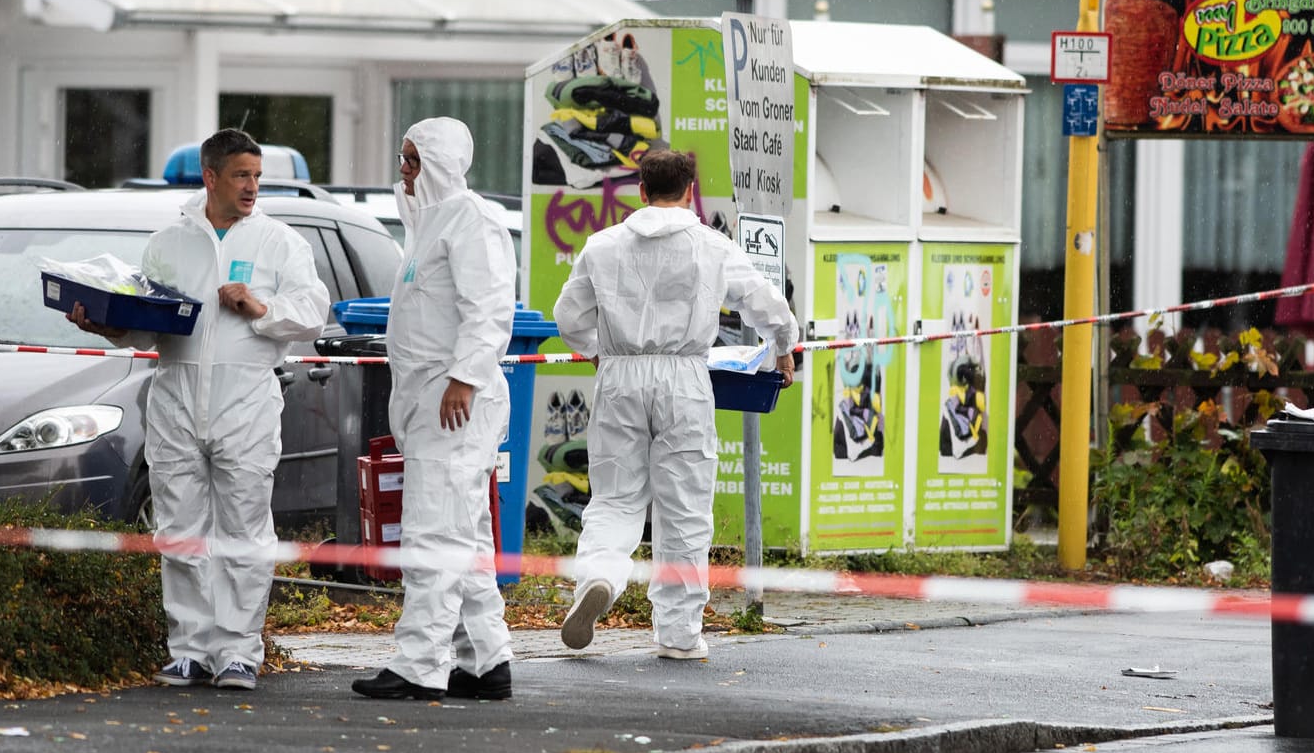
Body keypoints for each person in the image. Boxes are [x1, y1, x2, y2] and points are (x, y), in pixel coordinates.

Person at [69, 128, 329, 692]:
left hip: (246, 402)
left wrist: (258, 307)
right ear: (210, 177)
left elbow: (312, 312)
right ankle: (187, 649)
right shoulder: (169, 242)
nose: (252, 187)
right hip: (177, 399)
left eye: (257, 176)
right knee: (179, 529)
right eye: (241, 175)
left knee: (243, 530)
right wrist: (105, 323)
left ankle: (237, 652)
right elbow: (145, 323)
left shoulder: (280, 242)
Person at [552, 149, 797, 660]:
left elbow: (568, 315)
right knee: (683, 507)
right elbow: (763, 300)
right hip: (684, 377)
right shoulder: (710, 246)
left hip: (620, 376)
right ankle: (679, 633)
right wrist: (782, 347)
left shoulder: (602, 246)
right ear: (690, 191)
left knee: (616, 498)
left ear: (640, 191)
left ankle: (598, 577)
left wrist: (601, 352)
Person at [352, 117, 518, 701]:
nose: (404, 168)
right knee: (462, 536)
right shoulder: (429, 225)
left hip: (455, 403)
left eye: (414, 159)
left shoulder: (472, 222)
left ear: (441, 162)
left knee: (432, 535)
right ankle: (484, 660)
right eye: (404, 157)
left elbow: (491, 307)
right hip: (431, 400)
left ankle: (420, 663)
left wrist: (464, 379)